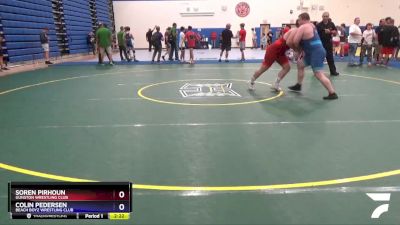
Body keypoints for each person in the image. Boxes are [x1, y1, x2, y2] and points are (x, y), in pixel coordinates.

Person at [286, 12, 338, 100]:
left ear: (302, 19)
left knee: (318, 73)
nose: (298, 22)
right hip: (312, 52)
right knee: (300, 64)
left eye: (299, 20)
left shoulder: (303, 27)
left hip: (316, 52)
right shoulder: (312, 25)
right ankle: (298, 85)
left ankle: (332, 93)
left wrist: (299, 50)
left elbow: (295, 41)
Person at [249, 27, 293, 92]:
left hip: (280, 52)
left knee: (287, 67)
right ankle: (251, 81)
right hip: (272, 51)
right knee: (263, 68)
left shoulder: (293, 36)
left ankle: (276, 84)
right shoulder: (289, 37)